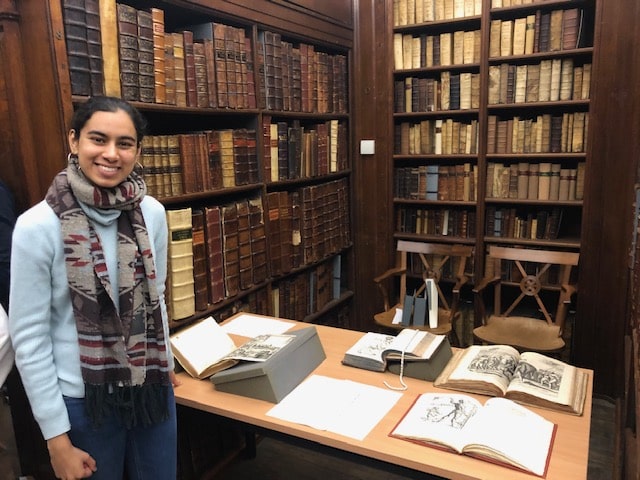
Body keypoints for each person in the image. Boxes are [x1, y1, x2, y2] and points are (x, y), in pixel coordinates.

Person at [8, 96, 179, 480]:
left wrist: (163, 360)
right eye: (97, 139)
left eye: (124, 143)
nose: (111, 154)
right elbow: (30, 338)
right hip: (86, 404)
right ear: (74, 141)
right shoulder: (38, 226)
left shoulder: (151, 212)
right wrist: (56, 439)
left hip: (149, 388)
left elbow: (158, 295)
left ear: (138, 149)